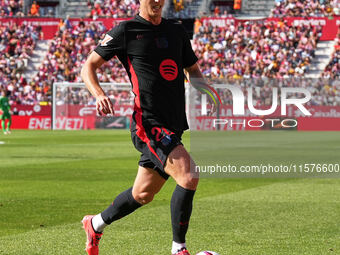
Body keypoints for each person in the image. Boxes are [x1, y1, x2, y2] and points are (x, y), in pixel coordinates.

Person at [80, 0, 220, 254]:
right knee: (189, 175)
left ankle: (95, 224)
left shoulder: (176, 31)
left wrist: (207, 91)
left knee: (142, 194)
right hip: (148, 122)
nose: (156, 1)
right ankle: (179, 249)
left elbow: (193, 70)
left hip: (174, 123)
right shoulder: (125, 30)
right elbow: (88, 66)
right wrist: (99, 93)